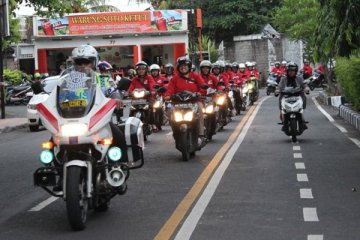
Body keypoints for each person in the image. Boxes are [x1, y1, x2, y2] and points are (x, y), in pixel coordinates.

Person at [164, 56, 208, 143]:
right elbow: (170, 89)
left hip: (194, 102)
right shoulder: (174, 79)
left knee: (200, 108)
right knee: (169, 112)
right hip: (177, 103)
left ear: (189, 67)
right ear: (178, 68)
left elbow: (202, 86)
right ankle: (175, 131)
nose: (183, 67)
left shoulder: (195, 76)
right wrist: (167, 96)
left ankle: (200, 134)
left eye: (185, 66)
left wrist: (200, 93)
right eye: (181, 66)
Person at [276, 62, 309, 130]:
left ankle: (302, 118)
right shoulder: (283, 79)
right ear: (287, 71)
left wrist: (306, 89)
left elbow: (304, 85)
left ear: (295, 71)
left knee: (303, 97)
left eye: (293, 71)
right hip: (286, 97)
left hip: (297, 96)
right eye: (290, 71)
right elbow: (279, 87)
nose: (291, 72)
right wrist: (277, 91)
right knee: (280, 98)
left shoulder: (299, 79)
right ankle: (283, 117)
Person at [127, 61, 158, 131]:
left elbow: (152, 86)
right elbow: (130, 88)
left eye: (143, 69)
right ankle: (130, 125)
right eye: (139, 69)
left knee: (151, 108)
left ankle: (152, 124)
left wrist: (152, 91)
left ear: (146, 70)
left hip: (148, 98)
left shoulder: (149, 78)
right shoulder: (134, 79)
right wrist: (128, 93)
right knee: (131, 110)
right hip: (136, 100)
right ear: (136, 70)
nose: (141, 71)